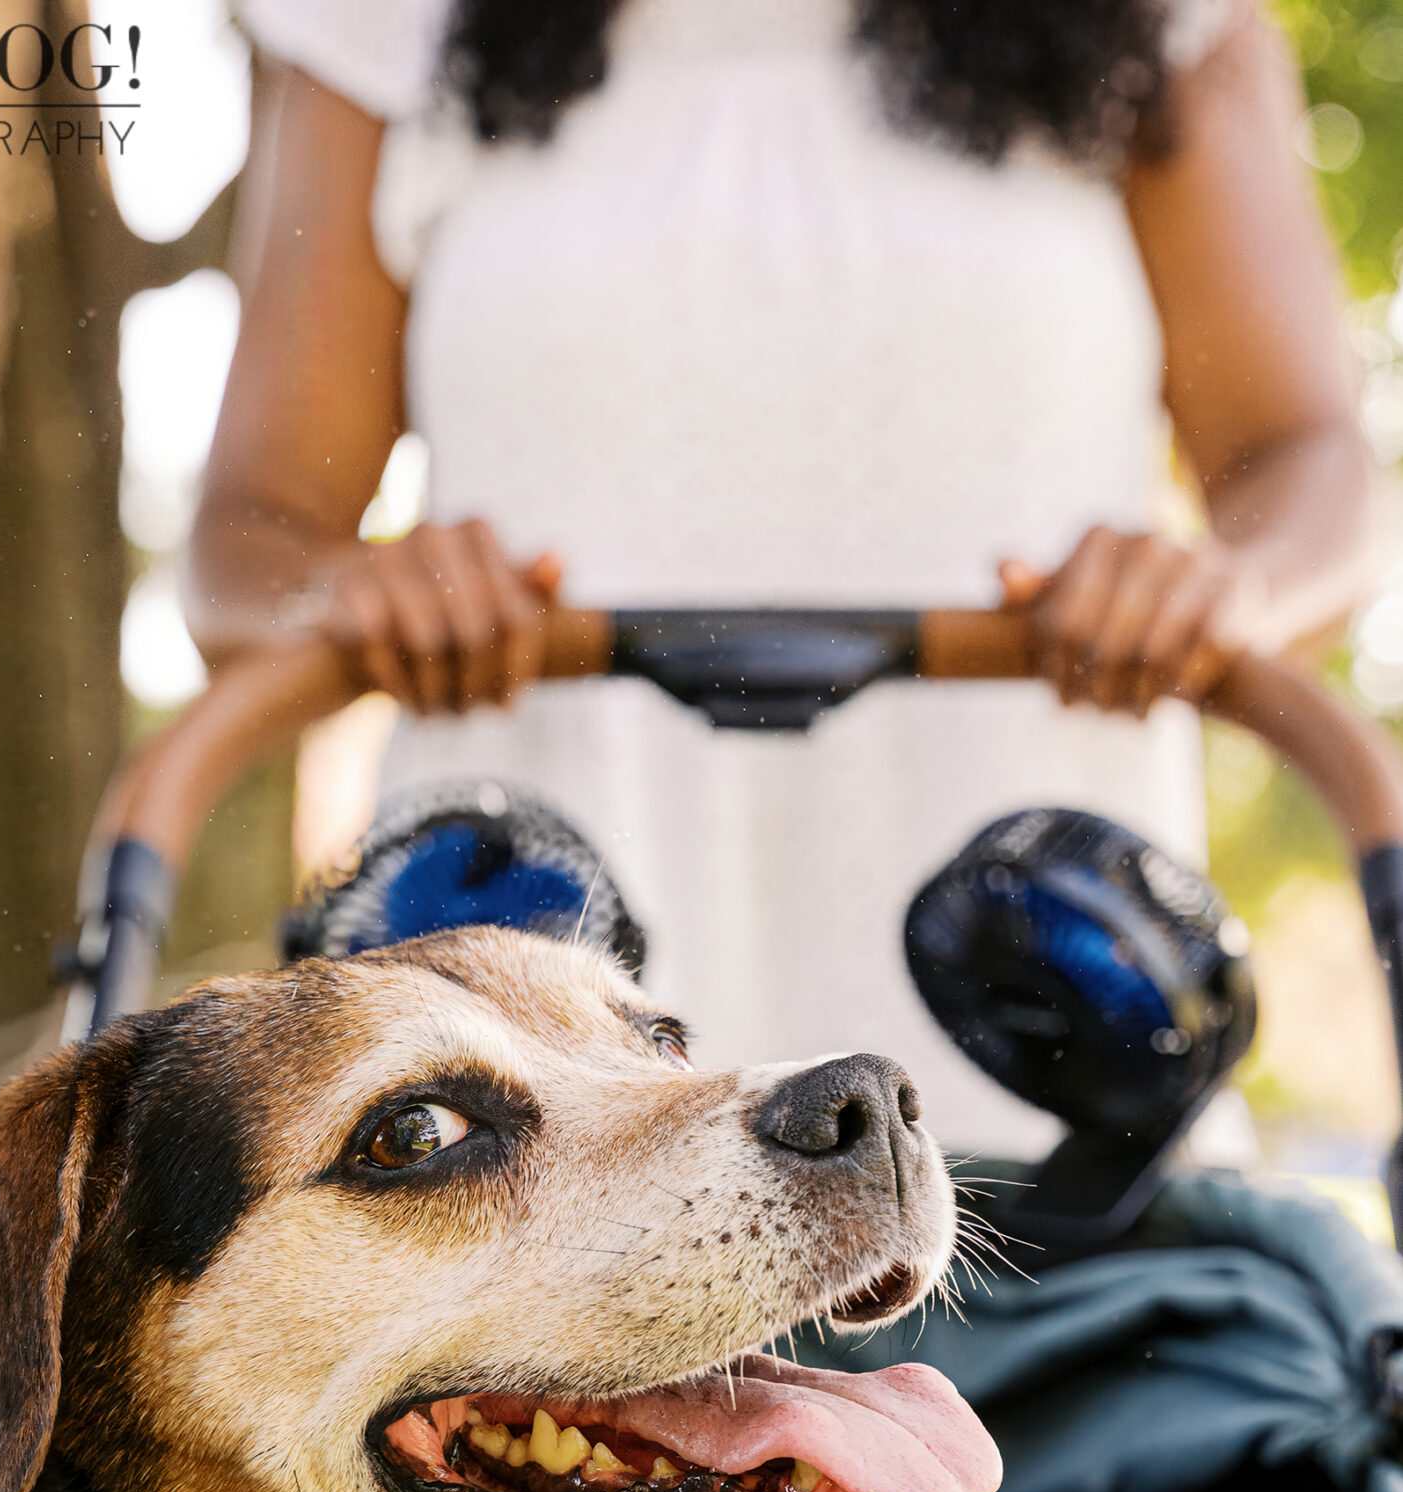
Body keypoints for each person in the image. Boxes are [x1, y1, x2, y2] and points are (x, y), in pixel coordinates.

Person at [188, 0, 1374, 1147]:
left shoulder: (1159, 24)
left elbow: (1310, 461)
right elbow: (252, 539)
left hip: (1055, 1109)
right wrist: (350, 597)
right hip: (538, 1177)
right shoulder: (382, 30)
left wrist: (1228, 592)